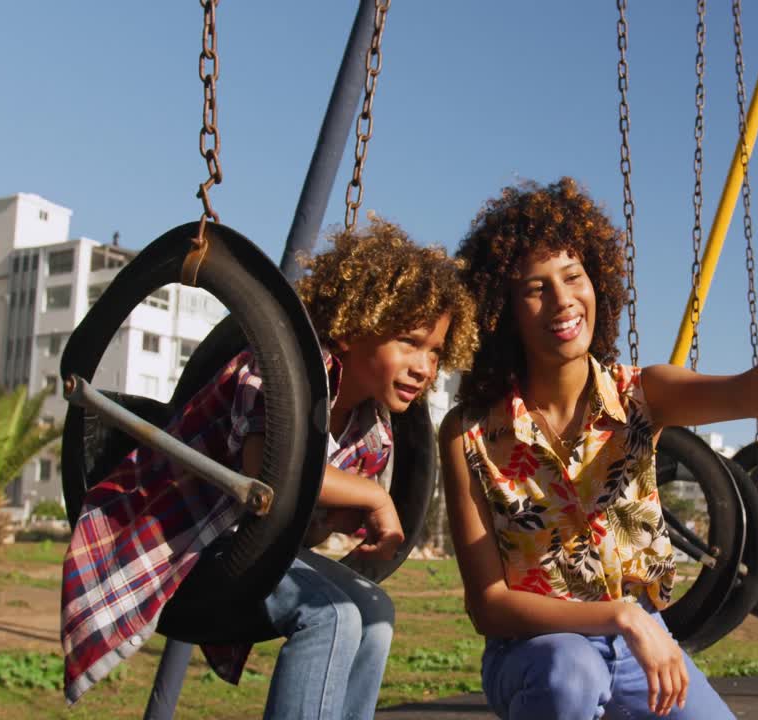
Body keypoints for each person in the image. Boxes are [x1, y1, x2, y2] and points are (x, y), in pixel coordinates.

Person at [439, 178, 758, 719]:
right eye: (536, 288)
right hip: (536, 650)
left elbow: (754, 394)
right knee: (569, 675)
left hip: (637, 642)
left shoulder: (641, 395)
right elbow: (489, 606)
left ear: (595, 281)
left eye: (573, 277)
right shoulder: (469, 433)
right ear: (502, 311)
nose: (563, 300)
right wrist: (620, 616)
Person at [61, 219, 478, 720]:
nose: (425, 367)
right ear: (351, 328)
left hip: (246, 545)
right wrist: (372, 496)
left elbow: (297, 527)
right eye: (409, 341)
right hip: (175, 535)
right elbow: (269, 475)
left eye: (436, 351)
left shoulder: (373, 431)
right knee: (330, 616)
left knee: (375, 611)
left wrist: (336, 520)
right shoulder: (276, 374)